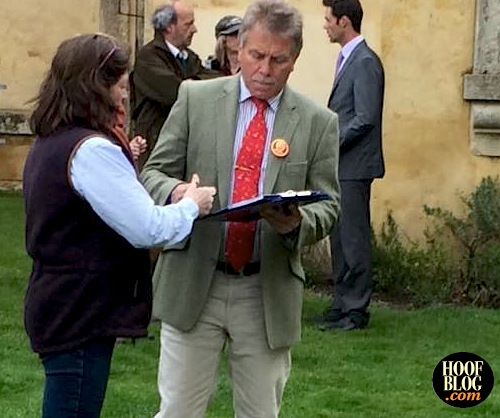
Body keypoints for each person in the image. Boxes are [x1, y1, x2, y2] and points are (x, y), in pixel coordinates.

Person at [140, 0, 341, 416]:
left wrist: (295, 224)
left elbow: (330, 203)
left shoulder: (318, 122)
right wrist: (178, 193)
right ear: (239, 50)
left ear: (294, 60)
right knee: (177, 410)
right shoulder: (195, 98)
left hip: (264, 288)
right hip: (196, 276)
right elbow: (154, 173)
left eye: (278, 59)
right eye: (256, 56)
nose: (265, 69)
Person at [22, 33, 216, 418]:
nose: (125, 97)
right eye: (120, 86)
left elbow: (121, 208)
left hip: (63, 303)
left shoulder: (54, 140)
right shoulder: (92, 150)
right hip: (79, 311)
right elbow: (147, 228)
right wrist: (192, 205)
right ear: (95, 87)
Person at [316, 0, 385, 331]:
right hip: (343, 166)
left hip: (355, 167)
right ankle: (342, 303)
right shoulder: (349, 59)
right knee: (340, 238)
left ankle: (355, 310)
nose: (325, 25)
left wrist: (331, 140)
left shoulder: (365, 62)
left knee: (353, 238)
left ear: (345, 21)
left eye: (329, 19)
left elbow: (365, 117)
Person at [131, 0, 218, 168]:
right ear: (169, 27)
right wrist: (194, 85)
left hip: (184, 147)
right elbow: (175, 92)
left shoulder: (190, 58)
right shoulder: (148, 58)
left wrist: (193, 83)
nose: (194, 30)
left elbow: (213, 80)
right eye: (188, 24)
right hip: (156, 149)